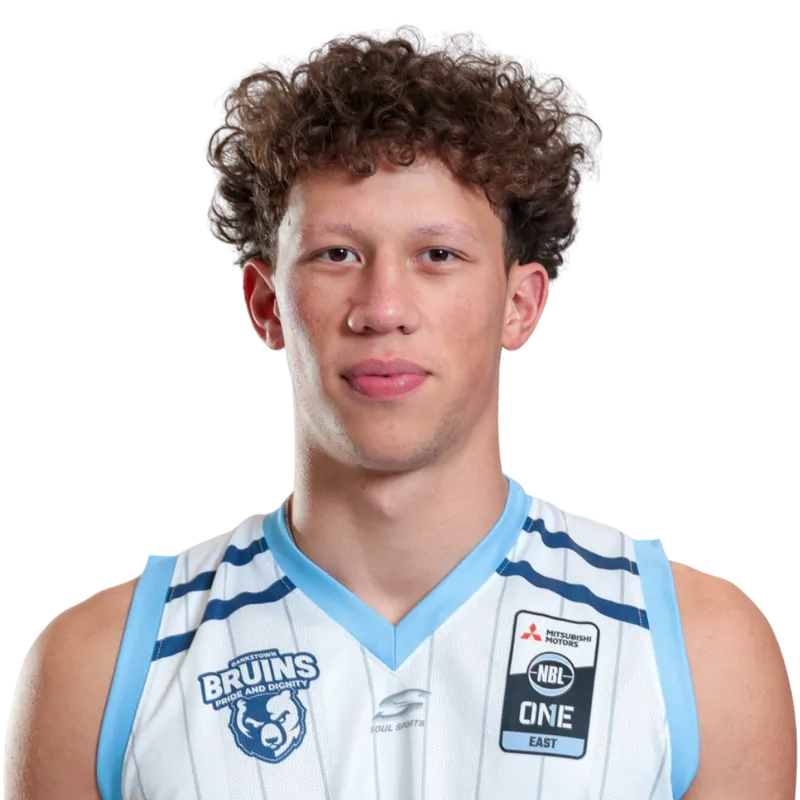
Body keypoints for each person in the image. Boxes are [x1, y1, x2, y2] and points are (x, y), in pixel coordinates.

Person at [6, 25, 795, 800]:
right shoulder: (99, 670)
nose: (383, 309)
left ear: (521, 306)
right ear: (266, 306)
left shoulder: (699, 650)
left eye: (437, 255)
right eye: (337, 254)